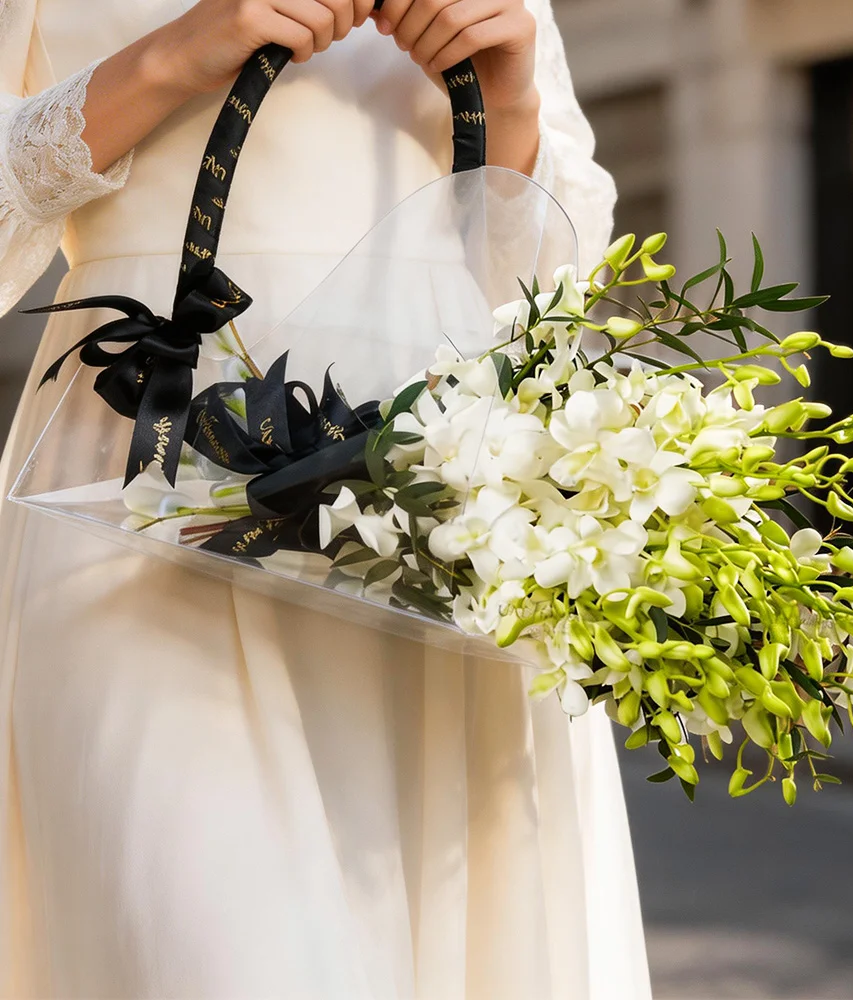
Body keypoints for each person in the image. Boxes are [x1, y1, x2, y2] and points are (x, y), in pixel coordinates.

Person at [0, 1, 652, 996]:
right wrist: (182, 50)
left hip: (431, 490)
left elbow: (548, 290)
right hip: (144, 478)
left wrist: (509, 84)